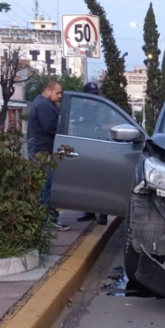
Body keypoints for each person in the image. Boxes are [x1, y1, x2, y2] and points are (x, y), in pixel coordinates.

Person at [27, 77, 69, 230]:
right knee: (45, 186)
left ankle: (44, 218)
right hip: (41, 152)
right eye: (58, 93)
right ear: (48, 90)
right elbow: (51, 127)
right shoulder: (44, 105)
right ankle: (47, 220)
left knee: (44, 186)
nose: (60, 96)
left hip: (40, 150)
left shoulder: (43, 103)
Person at [76, 81, 109, 226]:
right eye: (90, 96)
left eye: (95, 95)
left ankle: (102, 214)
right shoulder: (80, 109)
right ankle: (88, 211)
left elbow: (114, 124)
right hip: (84, 148)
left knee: (100, 182)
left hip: (100, 147)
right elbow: (74, 125)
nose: (93, 99)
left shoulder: (104, 109)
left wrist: (101, 126)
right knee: (85, 182)